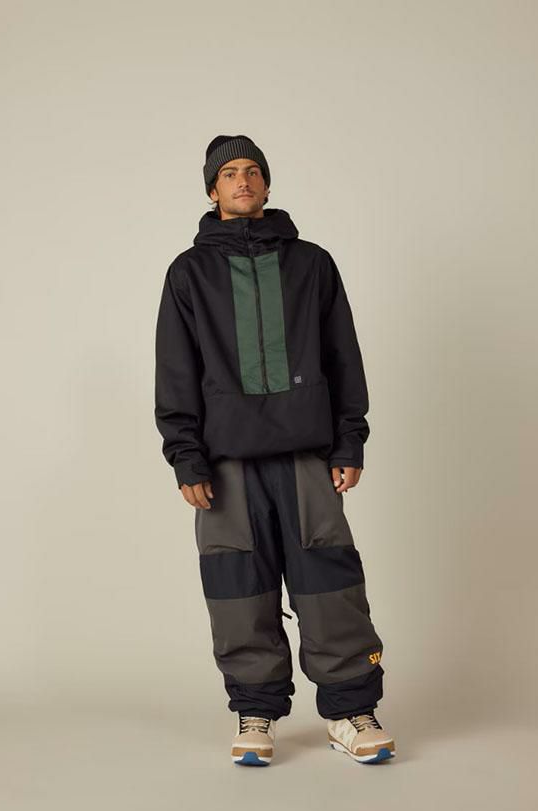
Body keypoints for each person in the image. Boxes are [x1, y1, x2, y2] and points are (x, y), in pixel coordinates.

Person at [154, 134, 396, 766]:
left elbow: (342, 355)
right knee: (238, 589)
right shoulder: (189, 273)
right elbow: (176, 371)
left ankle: (349, 711)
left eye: (253, 171)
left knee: (330, 585)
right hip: (226, 463)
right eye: (229, 173)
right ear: (212, 189)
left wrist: (350, 440)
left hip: (306, 455)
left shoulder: (311, 264)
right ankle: (255, 709)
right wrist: (186, 456)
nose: (243, 180)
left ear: (266, 184)